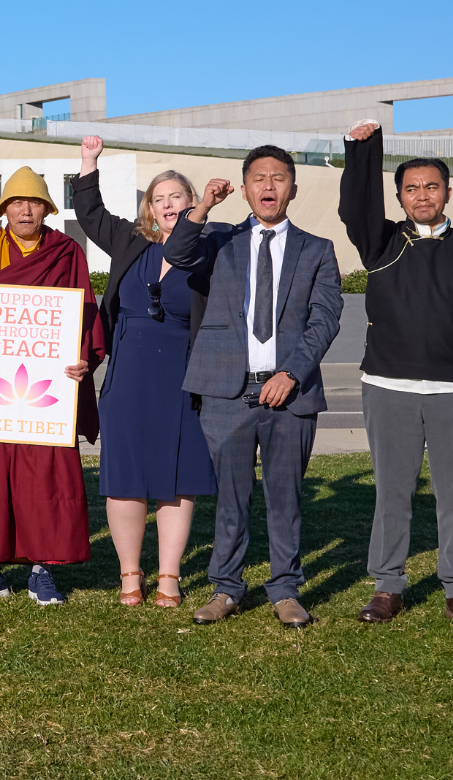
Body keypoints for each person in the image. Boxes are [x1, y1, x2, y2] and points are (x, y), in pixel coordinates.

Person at [341, 121, 453, 629]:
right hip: (388, 388)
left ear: (447, 192)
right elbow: (355, 205)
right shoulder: (380, 243)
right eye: (411, 188)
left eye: (431, 186)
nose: (422, 195)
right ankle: (387, 587)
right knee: (391, 494)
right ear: (398, 196)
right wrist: (362, 149)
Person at [166, 145, 343, 629]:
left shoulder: (318, 250)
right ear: (244, 189)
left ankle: (286, 589)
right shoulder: (218, 240)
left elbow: (325, 318)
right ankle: (226, 587)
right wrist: (202, 207)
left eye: (279, 178)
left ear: (293, 188)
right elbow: (176, 252)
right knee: (231, 497)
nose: (268, 186)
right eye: (259, 178)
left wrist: (293, 373)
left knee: (286, 496)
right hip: (226, 392)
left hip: (291, 393)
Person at [0, 100, 105, 608]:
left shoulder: (65, 251)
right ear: (4, 208)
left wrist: (84, 360)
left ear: (47, 209)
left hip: (46, 389)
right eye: (16, 203)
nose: (25, 211)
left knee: (44, 474)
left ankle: (42, 567)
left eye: (34, 203)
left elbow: (85, 312)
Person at [72, 136, 215, 610]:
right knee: (126, 475)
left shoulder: (209, 247)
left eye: (177, 196)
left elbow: (188, 247)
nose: (168, 204)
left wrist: (200, 217)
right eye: (159, 199)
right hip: (129, 370)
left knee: (178, 477)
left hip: (181, 372)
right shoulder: (130, 241)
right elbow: (89, 212)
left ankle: (169, 578)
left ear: (191, 204)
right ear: (149, 210)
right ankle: (129, 576)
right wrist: (89, 160)